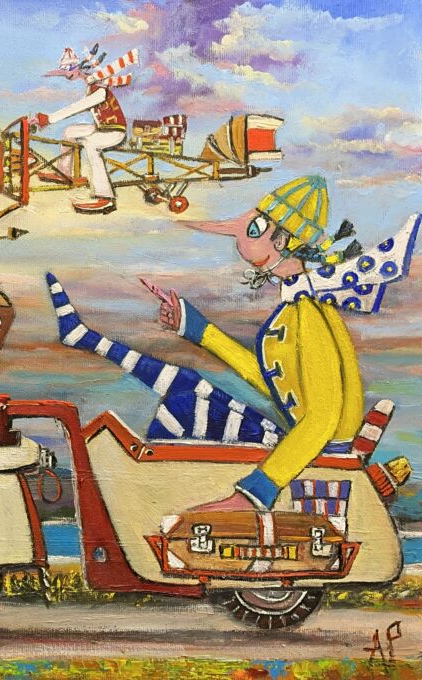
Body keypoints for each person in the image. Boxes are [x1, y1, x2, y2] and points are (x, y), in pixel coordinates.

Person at [47, 175, 419, 513]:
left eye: (254, 227)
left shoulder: (308, 314)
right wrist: (195, 328)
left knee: (182, 408)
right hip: (306, 447)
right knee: (186, 384)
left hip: (313, 457)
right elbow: (272, 381)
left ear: (282, 241)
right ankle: (88, 339)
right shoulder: (299, 306)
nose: (240, 237)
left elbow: (321, 420)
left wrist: (258, 489)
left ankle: (153, 500)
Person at [31, 45, 137, 214]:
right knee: (70, 132)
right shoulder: (92, 87)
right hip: (101, 128)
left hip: (115, 132)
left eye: (69, 71)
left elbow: (78, 107)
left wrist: (48, 119)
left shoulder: (100, 90)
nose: (66, 75)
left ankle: (105, 197)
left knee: (91, 144)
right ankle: (64, 173)